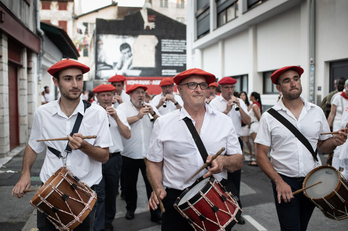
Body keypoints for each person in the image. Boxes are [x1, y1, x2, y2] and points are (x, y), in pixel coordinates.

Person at [11, 58, 113, 231]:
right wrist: (25, 173)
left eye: (79, 78)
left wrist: (84, 146)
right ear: (56, 81)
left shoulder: (98, 114)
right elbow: (33, 145)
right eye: (68, 79)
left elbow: (104, 157)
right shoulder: (43, 113)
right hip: (50, 190)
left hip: (85, 191)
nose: (75, 84)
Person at [146, 68, 243, 231]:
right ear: (180, 90)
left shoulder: (224, 121)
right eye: (192, 85)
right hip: (175, 199)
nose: (198, 89)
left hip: (214, 199)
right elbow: (153, 162)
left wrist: (223, 161)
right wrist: (157, 187)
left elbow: (238, 161)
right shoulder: (163, 123)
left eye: (203, 85)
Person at [255, 66, 348, 231]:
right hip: (285, 181)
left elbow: (322, 146)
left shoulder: (316, 111)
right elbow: (260, 154)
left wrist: (335, 142)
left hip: (312, 180)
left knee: (302, 226)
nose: (293, 83)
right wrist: (279, 182)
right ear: (278, 88)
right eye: (286, 80)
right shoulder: (269, 117)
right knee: (291, 228)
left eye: (296, 78)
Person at [209, 76, 251, 225]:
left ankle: (237, 211)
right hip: (219, 143)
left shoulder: (240, 101)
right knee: (218, 179)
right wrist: (226, 110)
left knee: (235, 179)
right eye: (226, 88)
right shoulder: (214, 103)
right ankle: (219, 210)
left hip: (235, 142)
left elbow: (248, 122)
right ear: (220, 88)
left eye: (232, 87)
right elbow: (212, 124)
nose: (229, 91)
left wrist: (240, 107)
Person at [117, 84, 162, 223]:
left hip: (148, 155)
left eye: (142, 92)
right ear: (130, 95)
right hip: (129, 154)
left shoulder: (149, 107)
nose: (140, 95)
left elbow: (161, 123)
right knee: (130, 185)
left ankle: (155, 213)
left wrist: (153, 113)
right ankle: (131, 209)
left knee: (152, 185)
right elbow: (122, 123)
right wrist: (138, 116)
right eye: (137, 93)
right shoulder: (122, 108)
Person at [92, 84, 131, 231]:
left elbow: (127, 135)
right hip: (95, 157)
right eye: (103, 95)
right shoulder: (91, 112)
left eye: (109, 95)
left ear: (113, 96)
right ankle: (98, 224)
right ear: (97, 97)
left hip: (113, 158)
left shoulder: (119, 112)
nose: (106, 98)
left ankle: (108, 220)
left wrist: (115, 117)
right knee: (97, 191)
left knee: (111, 192)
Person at [327, 78, 348, 170]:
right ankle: (335, 169)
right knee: (338, 149)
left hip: (346, 125)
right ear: (345, 87)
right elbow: (332, 114)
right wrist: (328, 126)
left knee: (345, 148)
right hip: (338, 125)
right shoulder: (337, 97)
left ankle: (343, 169)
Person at [248, 91, 262, 166]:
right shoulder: (256, 104)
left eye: (250, 95)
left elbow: (258, 116)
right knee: (256, 143)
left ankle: (257, 160)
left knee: (255, 144)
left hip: (255, 125)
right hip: (255, 125)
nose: (249, 97)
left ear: (253, 97)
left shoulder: (254, 106)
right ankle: (257, 160)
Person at [239, 91, 253, 160]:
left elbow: (249, 115)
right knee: (241, 141)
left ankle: (250, 154)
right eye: (241, 95)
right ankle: (243, 155)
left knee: (247, 141)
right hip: (240, 124)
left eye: (243, 95)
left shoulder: (248, 104)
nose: (242, 97)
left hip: (246, 125)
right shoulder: (238, 104)